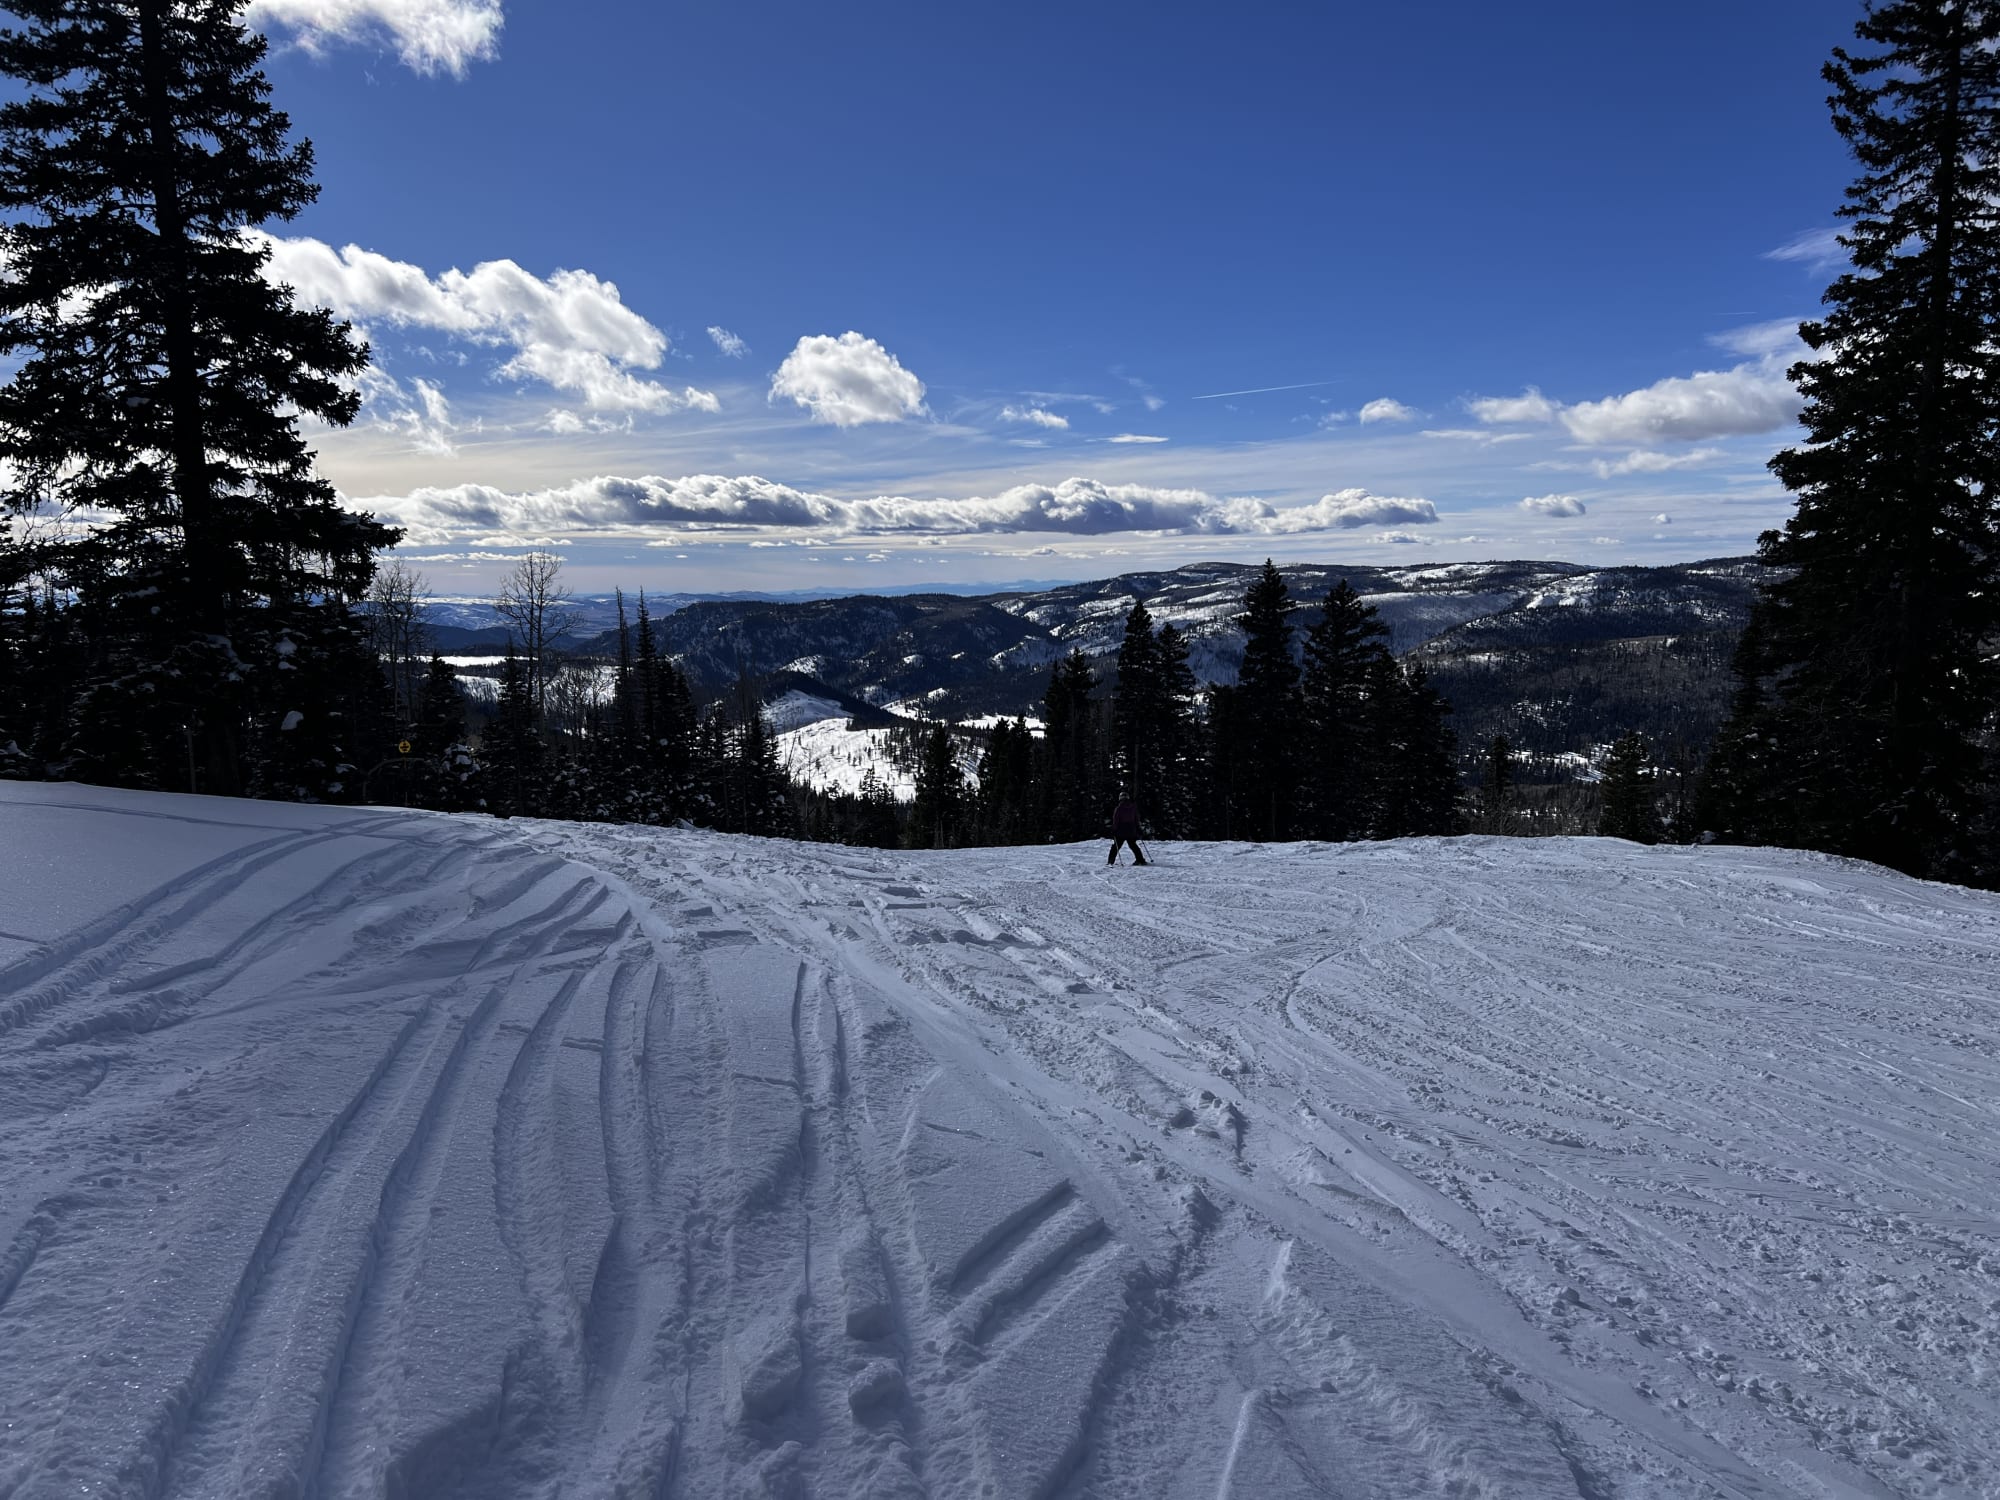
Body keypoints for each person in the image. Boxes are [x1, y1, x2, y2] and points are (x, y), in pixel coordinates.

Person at [1107, 790, 1148, 866]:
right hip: (1131, 829)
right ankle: (1140, 860)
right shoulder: (1133, 808)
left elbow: (1116, 820)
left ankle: (1110, 861)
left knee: (1115, 846)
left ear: (1120, 799)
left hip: (1121, 830)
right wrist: (1138, 829)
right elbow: (1136, 819)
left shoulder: (1118, 808)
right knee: (1133, 845)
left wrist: (1114, 829)